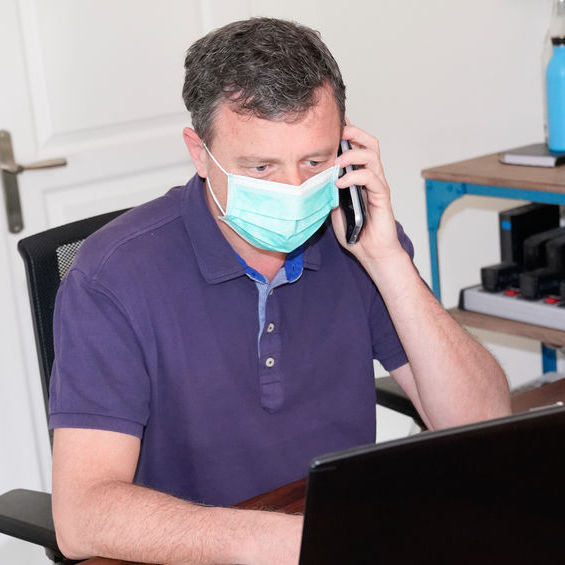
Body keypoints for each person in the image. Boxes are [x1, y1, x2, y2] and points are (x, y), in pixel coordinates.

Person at [49, 17, 511, 565]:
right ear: (200, 153)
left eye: (315, 161)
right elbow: (81, 518)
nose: (294, 190)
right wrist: (288, 543)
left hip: (338, 535)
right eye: (261, 166)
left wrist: (387, 261)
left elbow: (483, 426)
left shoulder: (356, 240)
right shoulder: (112, 276)